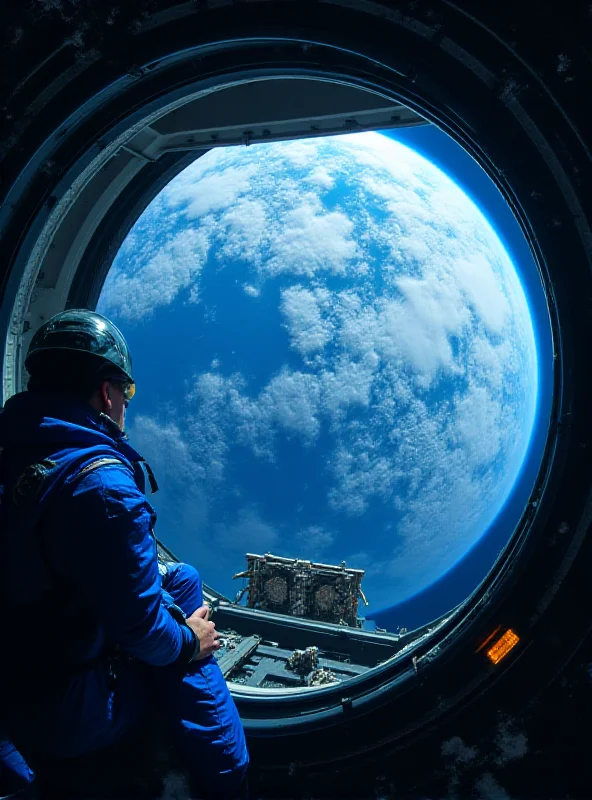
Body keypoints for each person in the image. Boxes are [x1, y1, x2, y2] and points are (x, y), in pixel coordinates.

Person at [0, 309, 249, 799]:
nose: (125, 407)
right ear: (109, 393)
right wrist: (188, 641)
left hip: (19, 656)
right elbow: (141, 633)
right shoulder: (104, 488)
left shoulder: (19, 454)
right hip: (63, 711)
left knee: (182, 578)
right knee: (187, 641)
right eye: (127, 395)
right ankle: (229, 778)